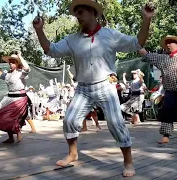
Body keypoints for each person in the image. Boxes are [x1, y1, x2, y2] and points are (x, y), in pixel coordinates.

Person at [33, 0, 154, 177]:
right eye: (76, 13)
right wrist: (39, 30)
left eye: (80, 12)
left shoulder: (110, 35)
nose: (77, 16)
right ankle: (72, 153)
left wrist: (147, 19)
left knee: (115, 123)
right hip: (83, 88)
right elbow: (50, 50)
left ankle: (128, 162)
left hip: (106, 85)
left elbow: (137, 43)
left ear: (92, 12)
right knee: (69, 120)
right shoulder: (72, 40)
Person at [0, 51, 30, 143]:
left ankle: (18, 132)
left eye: (13, 62)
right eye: (10, 62)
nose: (11, 64)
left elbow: (27, 68)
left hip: (19, 99)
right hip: (9, 98)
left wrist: (20, 56)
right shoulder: (9, 74)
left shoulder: (21, 73)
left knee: (12, 116)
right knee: (3, 116)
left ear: (17, 63)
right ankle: (11, 137)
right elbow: (1, 75)